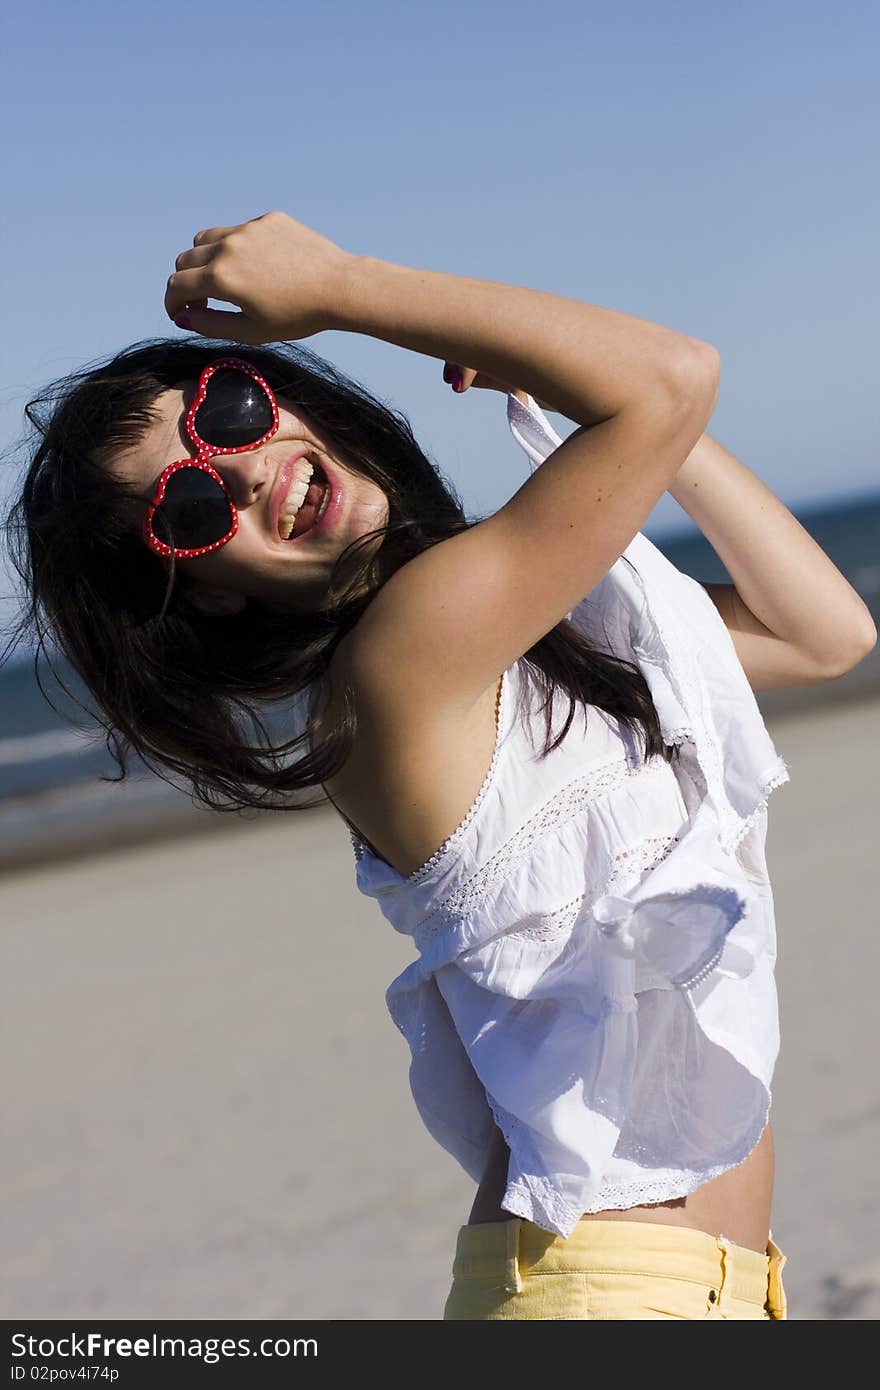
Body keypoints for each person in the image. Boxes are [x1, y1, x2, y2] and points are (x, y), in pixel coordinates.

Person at [5, 212, 875, 1320]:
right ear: (208, 591)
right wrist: (347, 285)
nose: (243, 470)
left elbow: (820, 633)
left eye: (229, 412)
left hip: (708, 1287)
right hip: (602, 1293)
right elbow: (667, 377)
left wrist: (582, 397)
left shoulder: (519, 643)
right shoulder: (402, 660)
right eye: (188, 505)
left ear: (288, 397)